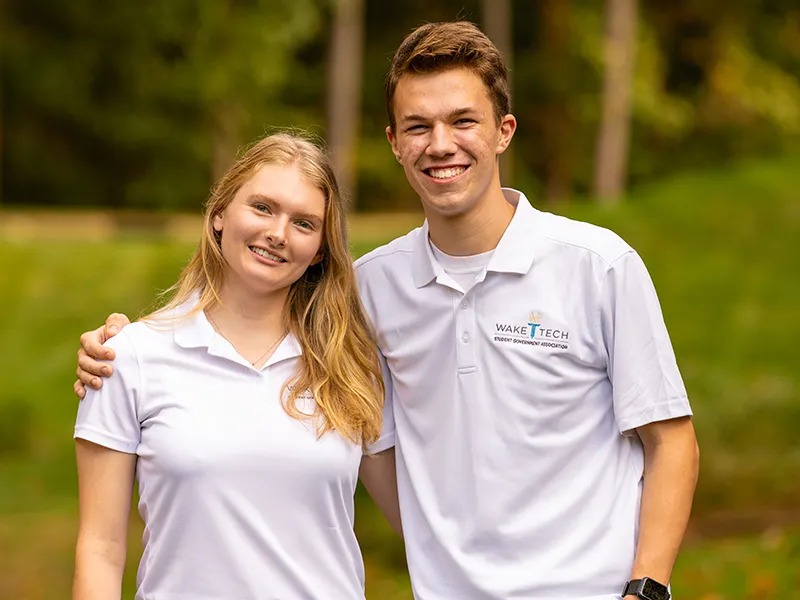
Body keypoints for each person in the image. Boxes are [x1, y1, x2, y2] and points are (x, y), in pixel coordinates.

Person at [75, 21, 700, 600]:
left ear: (504, 131)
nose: (441, 144)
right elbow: (251, 326)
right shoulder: (371, 291)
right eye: (418, 126)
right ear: (395, 142)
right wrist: (123, 347)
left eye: (463, 121)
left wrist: (646, 590)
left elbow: (671, 440)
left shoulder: (598, 266)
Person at [71, 132, 400, 600]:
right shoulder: (127, 358)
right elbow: (100, 548)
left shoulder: (349, 366)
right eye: (263, 207)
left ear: (322, 250)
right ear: (219, 214)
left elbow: (420, 521)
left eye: (304, 223)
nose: (278, 233)